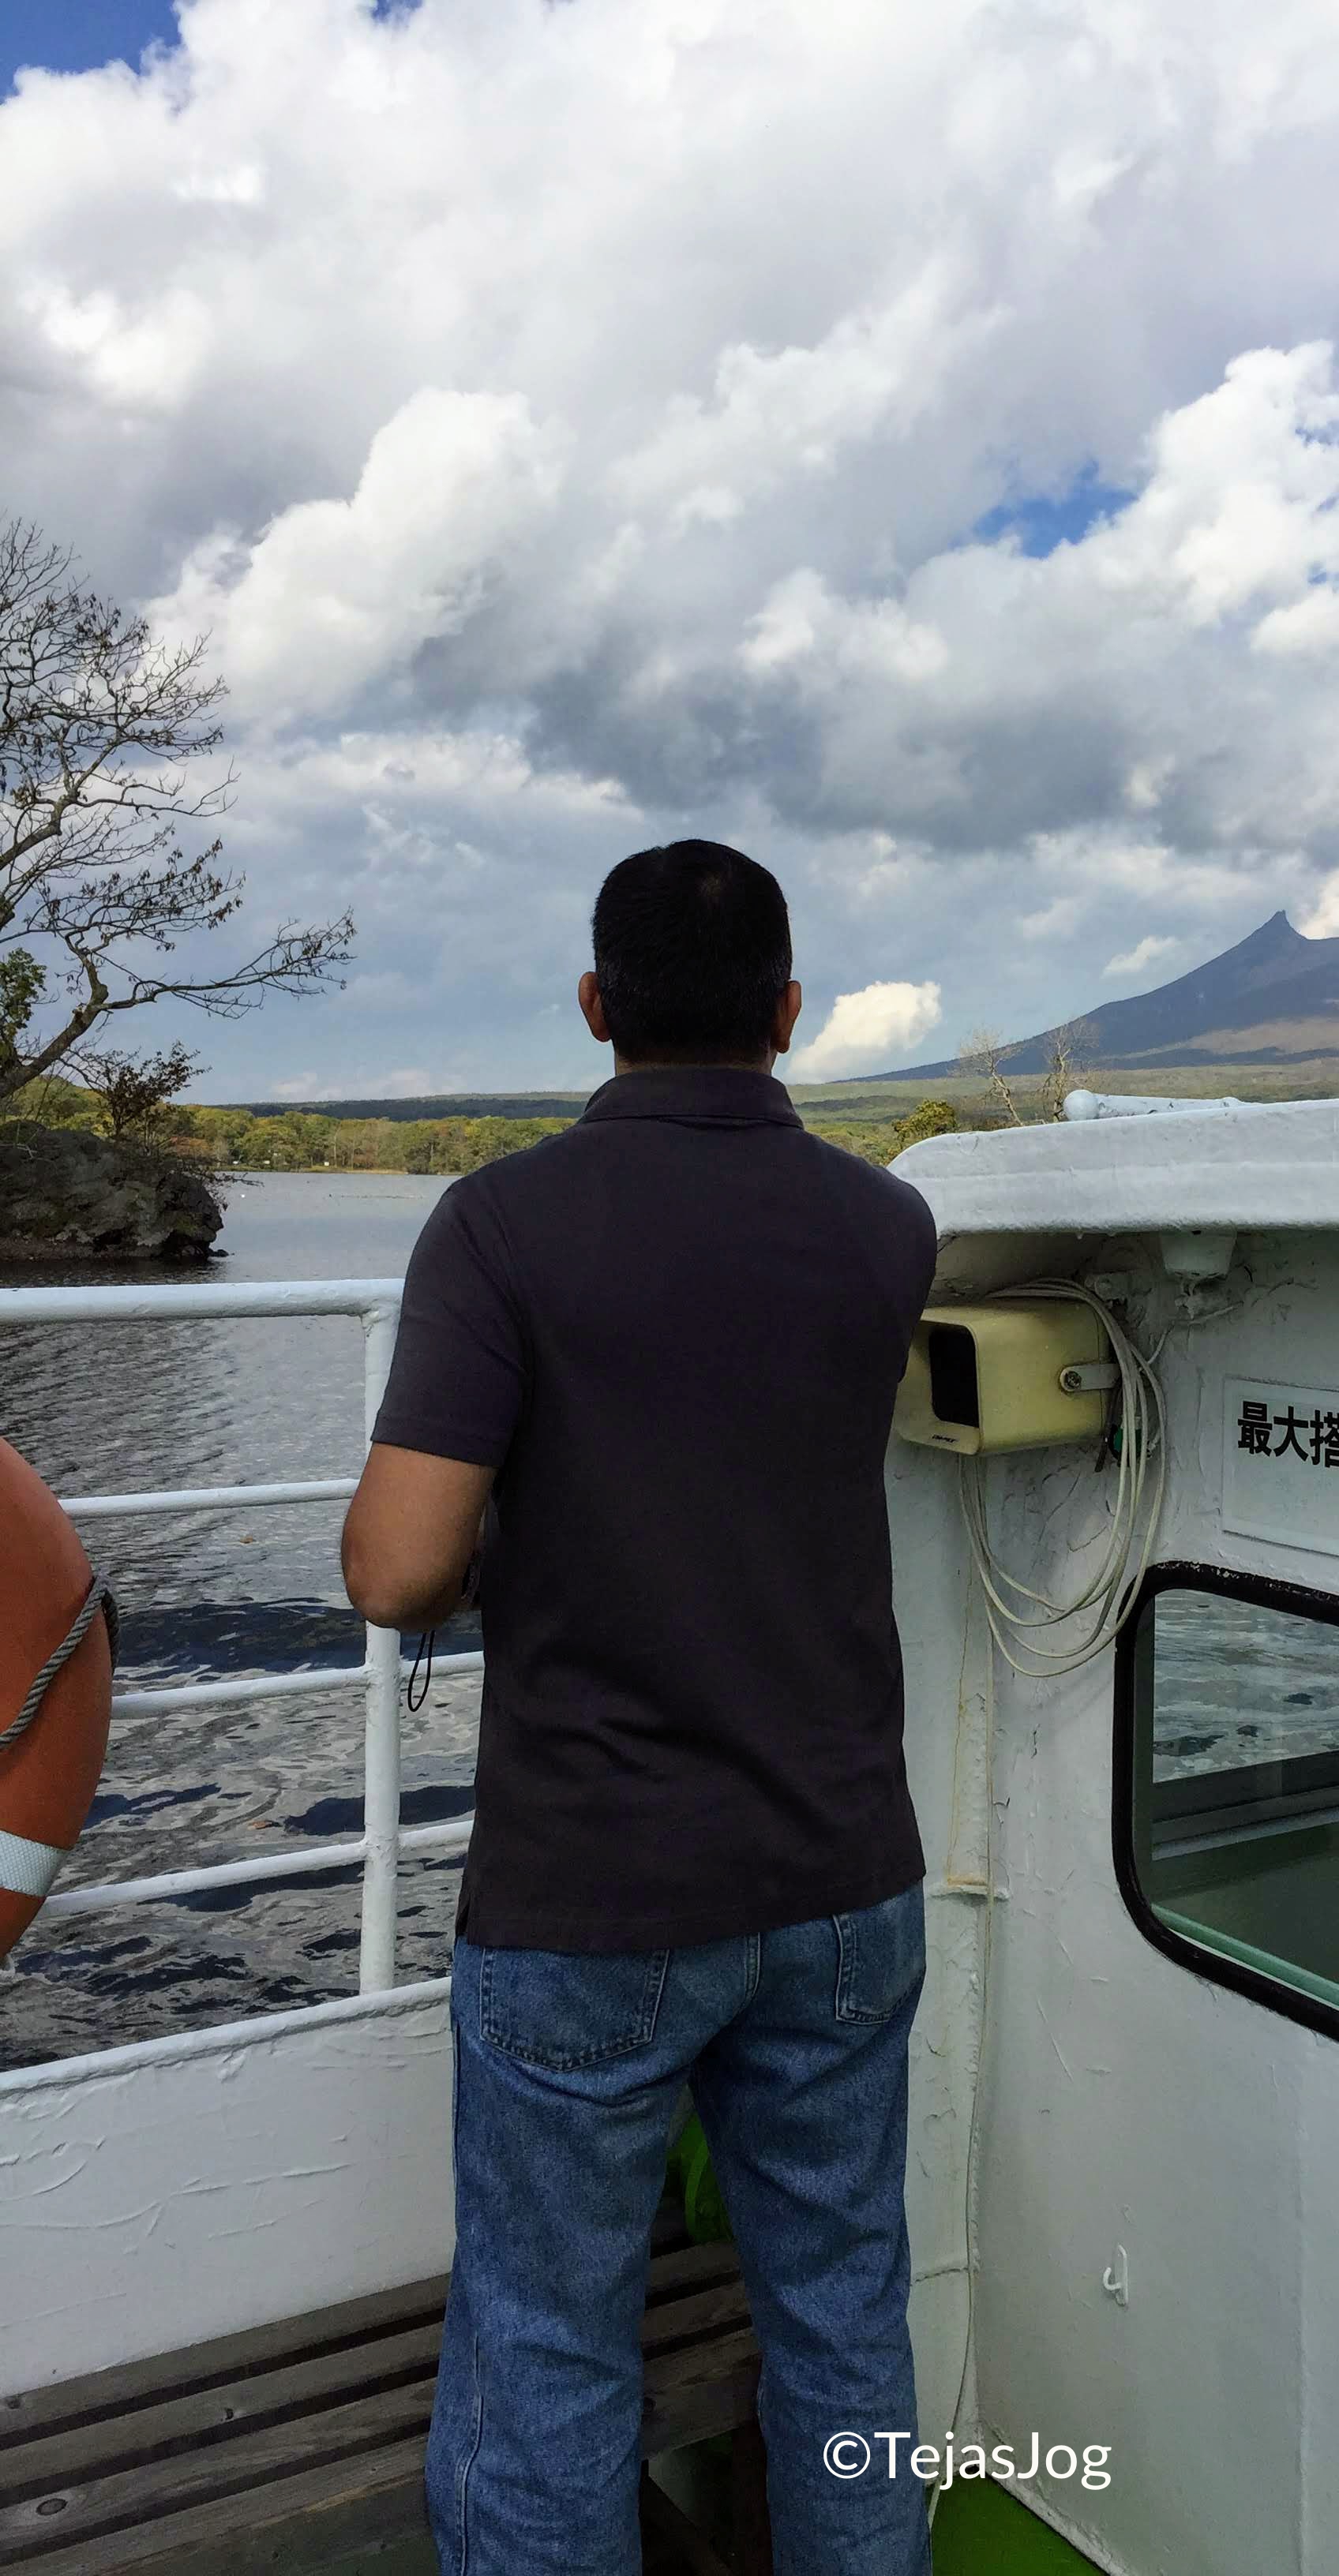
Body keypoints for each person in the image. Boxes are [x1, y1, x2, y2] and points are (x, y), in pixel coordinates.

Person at [340, 841, 939, 2576]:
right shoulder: (886, 1224)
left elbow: (392, 1568)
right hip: (840, 1880)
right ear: (788, 1014)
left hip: (592, 1894)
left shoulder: (502, 1225)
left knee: (546, 2345)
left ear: (595, 1008)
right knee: (844, 2321)